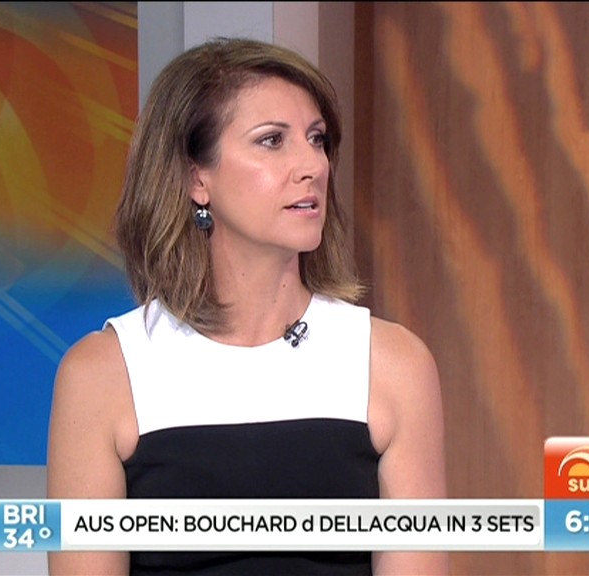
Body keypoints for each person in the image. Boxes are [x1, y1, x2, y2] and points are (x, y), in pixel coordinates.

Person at [46, 37, 448, 575]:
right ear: (196, 178)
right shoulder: (103, 375)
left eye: (317, 139)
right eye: (272, 141)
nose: (312, 165)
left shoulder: (393, 366)